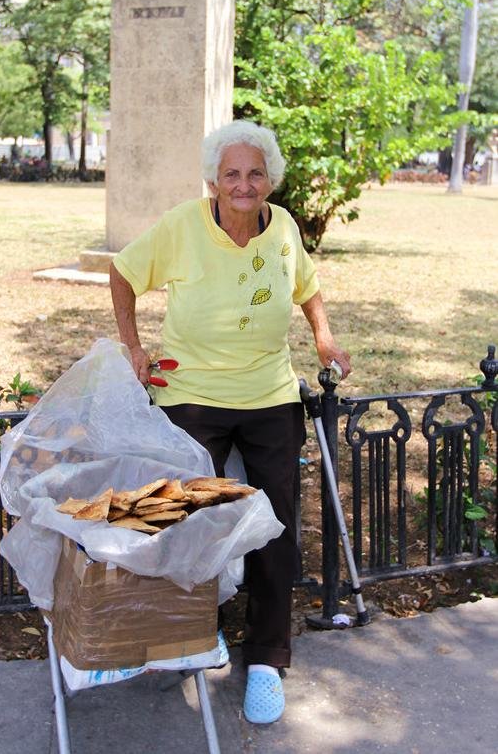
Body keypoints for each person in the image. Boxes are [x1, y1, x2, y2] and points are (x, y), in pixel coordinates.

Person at [109, 120, 350, 725]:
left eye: (255, 173)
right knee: (185, 515)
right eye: (232, 174)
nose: (244, 184)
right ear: (213, 180)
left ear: (269, 180)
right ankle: (193, 632)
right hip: (190, 391)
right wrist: (134, 350)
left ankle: (266, 658)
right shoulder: (182, 226)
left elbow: (308, 287)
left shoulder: (285, 227)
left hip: (268, 393)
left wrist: (323, 338)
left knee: (275, 524)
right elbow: (124, 272)